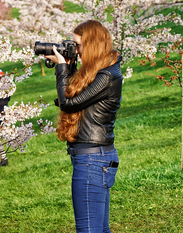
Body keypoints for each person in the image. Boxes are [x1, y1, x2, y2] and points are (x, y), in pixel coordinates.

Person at [45, 20, 123, 233]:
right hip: (94, 158)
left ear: (92, 45)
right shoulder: (101, 71)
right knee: (98, 229)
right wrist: (69, 67)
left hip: (92, 161)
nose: (76, 50)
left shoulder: (107, 76)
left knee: (89, 229)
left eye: (78, 46)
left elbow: (69, 104)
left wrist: (62, 68)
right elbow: (74, 97)